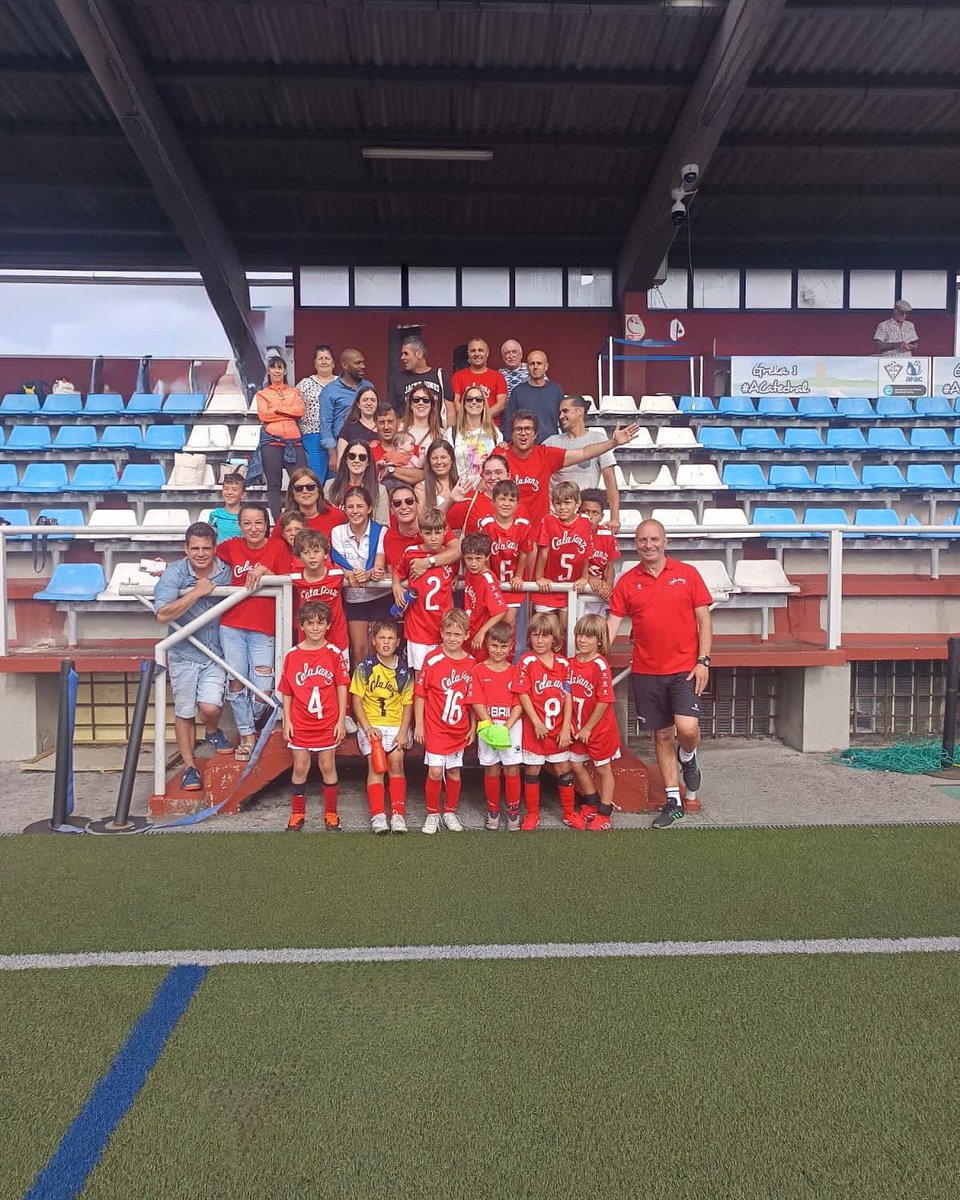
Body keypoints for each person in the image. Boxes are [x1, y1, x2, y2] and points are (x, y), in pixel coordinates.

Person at [607, 518, 713, 829]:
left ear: (664, 541)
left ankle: (689, 756)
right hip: (646, 672)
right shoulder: (628, 582)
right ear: (636, 544)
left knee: (687, 728)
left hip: (684, 669)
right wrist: (594, 657)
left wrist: (703, 660)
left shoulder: (687, 575)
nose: (649, 545)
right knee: (662, 734)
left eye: (654, 539)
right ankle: (673, 801)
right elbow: (612, 624)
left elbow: (704, 621)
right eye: (642, 540)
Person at [153, 521, 234, 791]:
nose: (201, 553)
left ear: (214, 548)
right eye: (195, 548)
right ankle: (190, 767)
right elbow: (162, 613)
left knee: (210, 707)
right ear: (185, 549)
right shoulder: (174, 573)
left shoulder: (226, 571)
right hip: (184, 653)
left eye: (206, 548)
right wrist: (197, 593)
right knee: (185, 711)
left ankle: (211, 729)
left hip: (216, 652)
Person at [217, 503, 291, 762]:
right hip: (232, 625)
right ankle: (247, 736)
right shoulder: (231, 546)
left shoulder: (278, 547)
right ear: (239, 526)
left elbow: (289, 579)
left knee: (263, 688)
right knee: (236, 681)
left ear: (267, 526)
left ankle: (253, 726)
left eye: (258, 522)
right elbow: (202, 559)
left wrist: (267, 573)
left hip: (264, 626)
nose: (253, 528)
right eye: (247, 523)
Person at [277, 601, 349, 832]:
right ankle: (297, 814)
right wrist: (287, 720)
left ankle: (331, 813)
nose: (315, 628)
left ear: (328, 625)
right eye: (310, 623)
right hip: (300, 722)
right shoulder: (293, 655)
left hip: (327, 721)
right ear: (302, 626)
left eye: (320, 623)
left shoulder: (334, 654)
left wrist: (340, 720)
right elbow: (287, 690)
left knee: (328, 765)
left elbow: (341, 687)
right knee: (300, 767)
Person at [512, 612, 585, 831]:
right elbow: (523, 693)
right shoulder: (527, 661)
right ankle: (532, 814)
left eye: (545, 636)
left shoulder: (563, 664)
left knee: (563, 768)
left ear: (555, 638)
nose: (540, 640)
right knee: (533, 770)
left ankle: (569, 812)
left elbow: (568, 696)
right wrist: (535, 722)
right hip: (537, 728)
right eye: (536, 635)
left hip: (557, 728)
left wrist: (565, 728)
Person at [504, 411, 639, 530]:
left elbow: (583, 453)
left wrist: (613, 442)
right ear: (512, 433)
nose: (523, 433)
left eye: (528, 429)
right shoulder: (501, 455)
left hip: (538, 530)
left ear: (535, 434)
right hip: (506, 530)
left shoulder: (545, 455)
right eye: (518, 429)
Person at [414, 609, 476, 835]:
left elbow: (473, 698)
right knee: (435, 771)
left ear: (466, 636)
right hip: (435, 726)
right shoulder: (433, 659)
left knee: (454, 772)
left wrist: (473, 726)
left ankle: (450, 811)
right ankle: (432, 813)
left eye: (457, 634)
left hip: (458, 727)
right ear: (441, 633)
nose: (452, 638)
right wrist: (419, 724)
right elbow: (420, 693)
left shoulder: (471, 663)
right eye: (448, 633)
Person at [350, 618, 414, 834]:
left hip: (396, 725)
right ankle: (378, 815)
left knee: (396, 763)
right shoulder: (365, 667)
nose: (386, 643)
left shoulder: (403, 670)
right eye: (381, 638)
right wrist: (367, 727)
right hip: (372, 724)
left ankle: (397, 814)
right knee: (377, 765)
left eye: (390, 638)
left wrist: (404, 732)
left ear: (397, 642)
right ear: (374, 641)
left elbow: (407, 704)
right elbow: (356, 701)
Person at [568, 614, 621, 833]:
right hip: (576, 727)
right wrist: (570, 724)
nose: (582, 640)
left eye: (589, 636)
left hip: (599, 728)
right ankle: (591, 802)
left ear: (599, 640)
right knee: (576, 764)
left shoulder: (600, 665)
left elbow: (604, 700)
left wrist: (589, 727)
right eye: (580, 634)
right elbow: (566, 694)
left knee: (603, 768)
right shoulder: (570, 664)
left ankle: (605, 811)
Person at [329, 485, 390, 667]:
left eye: (360, 506)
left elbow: (379, 561)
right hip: (354, 598)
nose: (355, 511)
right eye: (350, 507)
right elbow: (339, 562)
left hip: (380, 596)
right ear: (345, 509)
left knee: (380, 648)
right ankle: (360, 693)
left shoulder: (381, 530)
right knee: (359, 649)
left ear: (369, 508)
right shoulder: (337, 532)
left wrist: (373, 572)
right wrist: (351, 573)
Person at [392, 507, 458, 672]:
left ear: (445, 531)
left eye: (438, 533)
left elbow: (454, 576)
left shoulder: (450, 557)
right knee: (421, 675)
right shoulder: (411, 554)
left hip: (442, 625)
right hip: (418, 626)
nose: (434, 538)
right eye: (428, 533)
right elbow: (398, 572)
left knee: (441, 672)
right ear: (421, 533)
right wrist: (396, 585)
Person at [472, 621, 524, 831]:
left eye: (503, 646)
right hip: (488, 726)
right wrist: (491, 725)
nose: (498, 651)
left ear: (511, 646)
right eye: (494, 645)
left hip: (511, 726)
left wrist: (505, 727)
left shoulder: (515, 671)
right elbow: (476, 700)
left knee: (511, 769)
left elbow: (520, 703)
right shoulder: (478, 670)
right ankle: (493, 810)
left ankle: (513, 811)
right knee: (491, 769)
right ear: (487, 644)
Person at [544, 395, 620, 533]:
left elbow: (611, 483)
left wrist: (615, 518)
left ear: (580, 411)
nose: (561, 416)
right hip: (556, 519)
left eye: (565, 411)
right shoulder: (550, 443)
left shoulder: (598, 440)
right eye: (560, 412)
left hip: (586, 517)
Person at [534, 481, 593, 641]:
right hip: (549, 585)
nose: (562, 507)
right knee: (543, 628)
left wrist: (584, 577)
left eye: (567, 503)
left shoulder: (585, 523)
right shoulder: (549, 520)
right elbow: (543, 551)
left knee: (566, 629)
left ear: (577, 503)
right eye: (558, 503)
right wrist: (539, 576)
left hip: (570, 586)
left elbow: (585, 553)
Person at [477, 479, 533, 627]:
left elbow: (524, 553)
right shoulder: (486, 525)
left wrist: (519, 576)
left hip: (512, 582)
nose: (506, 503)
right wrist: (489, 574)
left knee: (508, 621)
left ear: (517, 504)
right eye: (502, 499)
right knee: (492, 620)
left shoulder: (523, 525)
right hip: (494, 580)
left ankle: (510, 650)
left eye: (511, 500)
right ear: (493, 502)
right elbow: (484, 553)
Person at [255, 355, 306, 518]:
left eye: (280, 367)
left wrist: (276, 410)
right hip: (272, 441)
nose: (277, 371)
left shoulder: (294, 391)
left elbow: (299, 412)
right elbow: (264, 416)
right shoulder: (262, 394)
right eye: (273, 367)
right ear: (268, 371)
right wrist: (286, 412)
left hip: (294, 441)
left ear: (285, 371)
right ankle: (278, 520)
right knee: (274, 483)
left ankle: (299, 517)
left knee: (301, 481)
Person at [382, 484, 461, 580]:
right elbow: (393, 573)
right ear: (392, 510)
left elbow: (457, 551)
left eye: (409, 501)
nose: (404, 507)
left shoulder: (433, 525)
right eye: (397, 503)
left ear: (418, 504)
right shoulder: (389, 536)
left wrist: (427, 563)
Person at [291, 530, 348, 660]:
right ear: (299, 556)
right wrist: (264, 570)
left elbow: (357, 575)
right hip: (308, 637)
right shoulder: (295, 576)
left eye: (316, 551)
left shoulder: (337, 574)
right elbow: (276, 577)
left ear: (325, 553)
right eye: (306, 553)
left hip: (336, 635)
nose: (312, 556)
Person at [445, 453, 527, 535]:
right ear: (483, 476)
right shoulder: (470, 500)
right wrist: (450, 501)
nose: (493, 477)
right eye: (488, 473)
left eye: (498, 472)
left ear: (508, 475)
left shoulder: (517, 505)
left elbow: (528, 543)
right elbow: (435, 523)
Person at [319, 347, 371, 474]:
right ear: (345, 365)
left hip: (367, 445)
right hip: (342, 446)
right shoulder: (330, 391)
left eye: (363, 362)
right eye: (358, 363)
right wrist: (333, 454)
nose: (363, 366)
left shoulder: (369, 387)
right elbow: (325, 424)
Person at [461, 532, 509, 657]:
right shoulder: (470, 571)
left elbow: (500, 611)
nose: (473, 563)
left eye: (478, 558)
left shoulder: (487, 579)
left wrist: (482, 632)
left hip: (480, 638)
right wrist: (458, 577)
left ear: (487, 557)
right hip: (469, 632)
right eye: (469, 558)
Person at [295, 344, 338, 478]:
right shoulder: (305, 384)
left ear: (333, 363)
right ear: (315, 363)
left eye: (327, 358)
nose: (324, 361)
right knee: (315, 478)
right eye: (320, 358)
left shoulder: (341, 384)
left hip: (336, 435)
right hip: (312, 436)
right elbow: (294, 408)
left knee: (334, 480)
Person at [503, 350, 563, 442]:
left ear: (546, 366)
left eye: (539, 363)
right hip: (525, 445)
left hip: (552, 444)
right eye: (532, 364)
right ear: (527, 367)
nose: (535, 367)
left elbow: (564, 418)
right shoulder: (518, 392)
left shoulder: (556, 390)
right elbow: (509, 422)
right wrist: (509, 442)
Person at [392, 334, 454, 424]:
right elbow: (393, 412)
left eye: (406, 353)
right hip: (407, 434)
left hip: (436, 434)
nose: (402, 358)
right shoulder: (398, 379)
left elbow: (450, 410)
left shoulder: (440, 376)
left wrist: (449, 435)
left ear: (419, 354)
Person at [447, 384, 503, 481]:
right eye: (469, 399)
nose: (474, 402)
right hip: (460, 488)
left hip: (487, 488)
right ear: (464, 404)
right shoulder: (452, 433)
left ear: (483, 404)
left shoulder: (494, 432)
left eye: (478, 399)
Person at [325, 439, 388, 524]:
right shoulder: (330, 486)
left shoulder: (380, 491)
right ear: (346, 460)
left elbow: (383, 525)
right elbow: (325, 520)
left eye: (362, 457)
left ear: (368, 462)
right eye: (352, 456)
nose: (356, 460)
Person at [579, 488, 620, 616]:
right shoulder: (571, 533)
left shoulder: (607, 535)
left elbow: (609, 566)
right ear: (577, 512)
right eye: (585, 512)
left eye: (595, 513)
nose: (590, 517)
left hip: (598, 593)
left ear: (602, 516)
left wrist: (607, 586)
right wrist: (590, 578)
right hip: (578, 591)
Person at [451, 337, 507, 422]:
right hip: (465, 427)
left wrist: (480, 418)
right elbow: (455, 402)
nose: (477, 354)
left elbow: (501, 404)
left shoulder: (498, 376)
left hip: (491, 427)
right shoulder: (457, 376)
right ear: (468, 353)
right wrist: (469, 419)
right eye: (473, 351)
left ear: (487, 353)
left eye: (480, 350)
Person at [281, 467, 345, 540]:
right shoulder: (284, 520)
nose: (305, 491)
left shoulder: (338, 516)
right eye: (298, 488)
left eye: (310, 487)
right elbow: (274, 545)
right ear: (292, 493)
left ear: (319, 490)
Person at [376, 403, 424, 490]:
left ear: (398, 423)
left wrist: (390, 470)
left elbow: (421, 476)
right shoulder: (371, 449)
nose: (386, 427)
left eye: (390, 422)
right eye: (382, 422)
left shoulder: (413, 449)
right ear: (376, 425)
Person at [335, 384, 382, 466]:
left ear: (377, 404)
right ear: (358, 404)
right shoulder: (348, 429)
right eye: (365, 400)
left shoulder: (384, 428)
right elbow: (341, 460)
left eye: (373, 400)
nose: (369, 403)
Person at [401, 385, 445, 469]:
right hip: (403, 478)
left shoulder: (441, 433)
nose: (421, 403)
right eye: (416, 400)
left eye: (426, 400)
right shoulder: (400, 428)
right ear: (410, 405)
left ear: (431, 405)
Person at [415, 438, 459, 513]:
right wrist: (449, 501)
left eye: (443, 457)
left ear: (452, 460)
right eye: (434, 458)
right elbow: (421, 519)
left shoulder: (461, 485)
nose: (439, 462)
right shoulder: (421, 487)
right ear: (429, 461)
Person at [207, 472, 246, 543]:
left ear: (243, 495)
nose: (229, 492)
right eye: (226, 489)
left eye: (234, 489)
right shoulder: (215, 514)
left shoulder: (247, 515)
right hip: (221, 553)